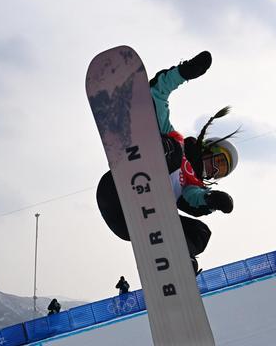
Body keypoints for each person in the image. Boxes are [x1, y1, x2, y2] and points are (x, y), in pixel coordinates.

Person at [96, 50, 238, 275]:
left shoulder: (193, 187)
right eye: (218, 162)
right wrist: (184, 73)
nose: (213, 170)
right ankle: (138, 155)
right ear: (209, 149)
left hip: (128, 222)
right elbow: (157, 96)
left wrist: (211, 200)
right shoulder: (177, 142)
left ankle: (179, 260)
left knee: (201, 233)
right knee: (170, 150)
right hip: (115, 192)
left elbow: (196, 199)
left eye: (219, 172)